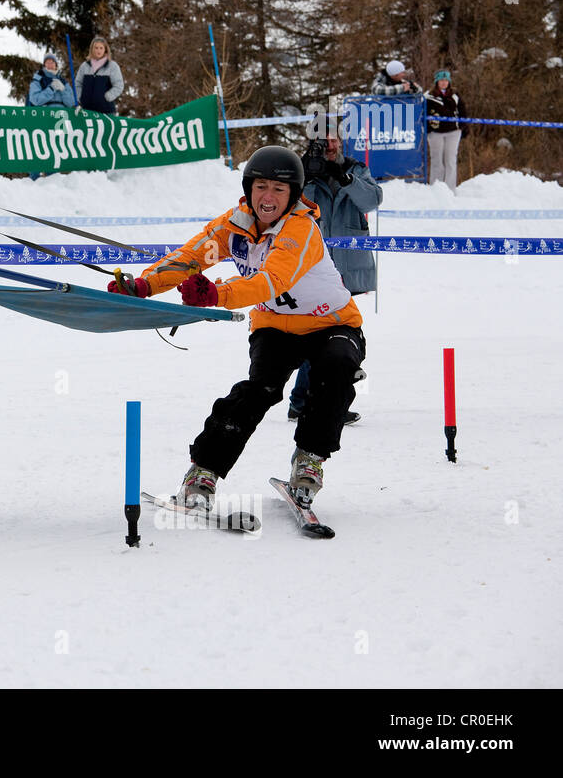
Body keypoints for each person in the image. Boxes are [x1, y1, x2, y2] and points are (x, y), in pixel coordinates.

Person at [108, 146, 366, 509]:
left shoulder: (300, 229)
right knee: (258, 390)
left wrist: (217, 293)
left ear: (293, 194)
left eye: (279, 189)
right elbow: (190, 258)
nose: (268, 197)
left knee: (335, 369)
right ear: (249, 189)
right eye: (261, 186)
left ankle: (309, 459)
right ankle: (203, 473)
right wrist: (144, 286)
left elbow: (271, 281)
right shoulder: (235, 227)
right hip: (275, 327)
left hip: (332, 323)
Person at [287, 127, 383, 423]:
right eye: (323, 141)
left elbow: (372, 200)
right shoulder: (303, 173)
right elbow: (289, 207)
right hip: (315, 268)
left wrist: (345, 179)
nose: (329, 145)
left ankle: (307, 400)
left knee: (330, 333)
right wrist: (305, 173)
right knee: (326, 334)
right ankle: (313, 401)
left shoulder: (356, 169)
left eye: (334, 140)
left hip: (347, 265)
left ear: (341, 142)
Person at [424, 69, 466, 190]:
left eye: (446, 80)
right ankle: (436, 188)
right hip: (435, 133)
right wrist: (428, 129)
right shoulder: (428, 96)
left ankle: (450, 189)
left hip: (453, 132)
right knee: (437, 161)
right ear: (437, 81)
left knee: (450, 160)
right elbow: (422, 114)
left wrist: (462, 126)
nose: (444, 83)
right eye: (441, 80)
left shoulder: (454, 95)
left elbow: (463, 111)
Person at [73, 37, 123, 114]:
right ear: (92, 49)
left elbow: (119, 85)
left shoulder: (112, 66)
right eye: (96, 48)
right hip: (86, 110)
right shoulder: (85, 66)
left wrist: (108, 96)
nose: (98, 50)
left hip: (106, 110)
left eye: (101, 48)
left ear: (105, 50)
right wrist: (80, 97)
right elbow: (78, 83)